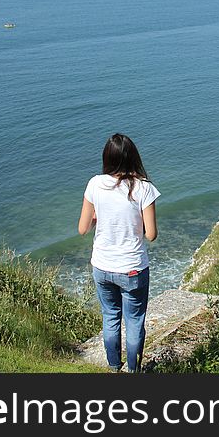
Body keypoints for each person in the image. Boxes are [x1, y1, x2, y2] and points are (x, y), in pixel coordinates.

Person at [78, 133, 160, 372]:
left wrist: (97, 217)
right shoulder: (144, 188)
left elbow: (82, 229)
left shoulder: (95, 183)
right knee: (134, 321)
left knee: (110, 316)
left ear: (107, 158)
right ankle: (133, 370)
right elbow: (151, 235)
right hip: (132, 268)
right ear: (134, 157)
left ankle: (114, 367)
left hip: (102, 267)